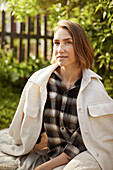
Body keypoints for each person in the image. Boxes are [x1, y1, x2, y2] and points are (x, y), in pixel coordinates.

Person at [0, 19, 113, 170]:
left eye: (68, 42)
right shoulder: (39, 82)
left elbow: (80, 144)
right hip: (48, 153)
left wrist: (44, 168)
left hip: (85, 154)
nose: (60, 49)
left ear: (80, 46)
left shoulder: (94, 89)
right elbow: (21, 128)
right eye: (56, 43)